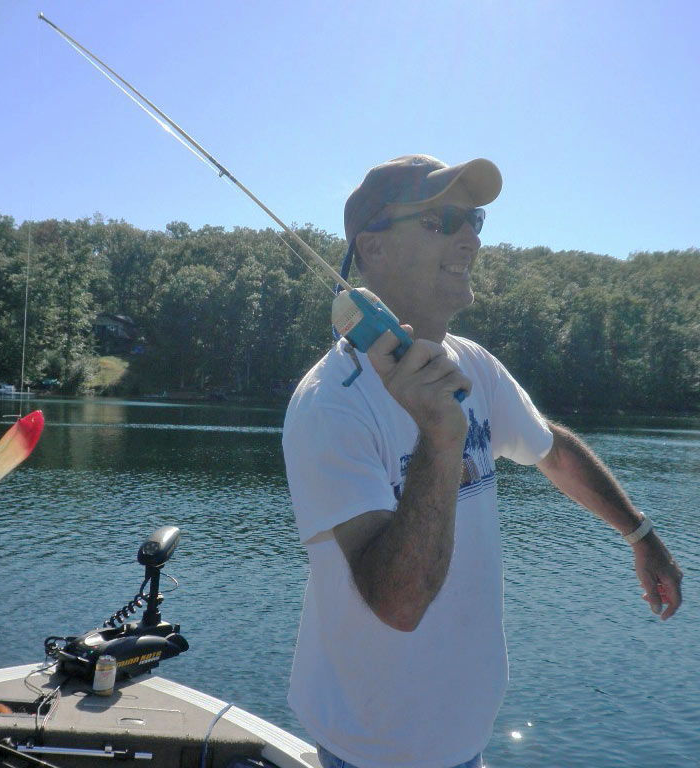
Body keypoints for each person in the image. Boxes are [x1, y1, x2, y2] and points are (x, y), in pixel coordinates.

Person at [281, 154, 683, 768]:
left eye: (474, 220)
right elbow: (398, 604)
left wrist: (640, 533)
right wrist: (442, 438)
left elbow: (552, 449)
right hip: (372, 748)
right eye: (441, 220)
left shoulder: (474, 364)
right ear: (374, 248)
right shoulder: (330, 406)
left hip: (464, 741)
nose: (470, 238)